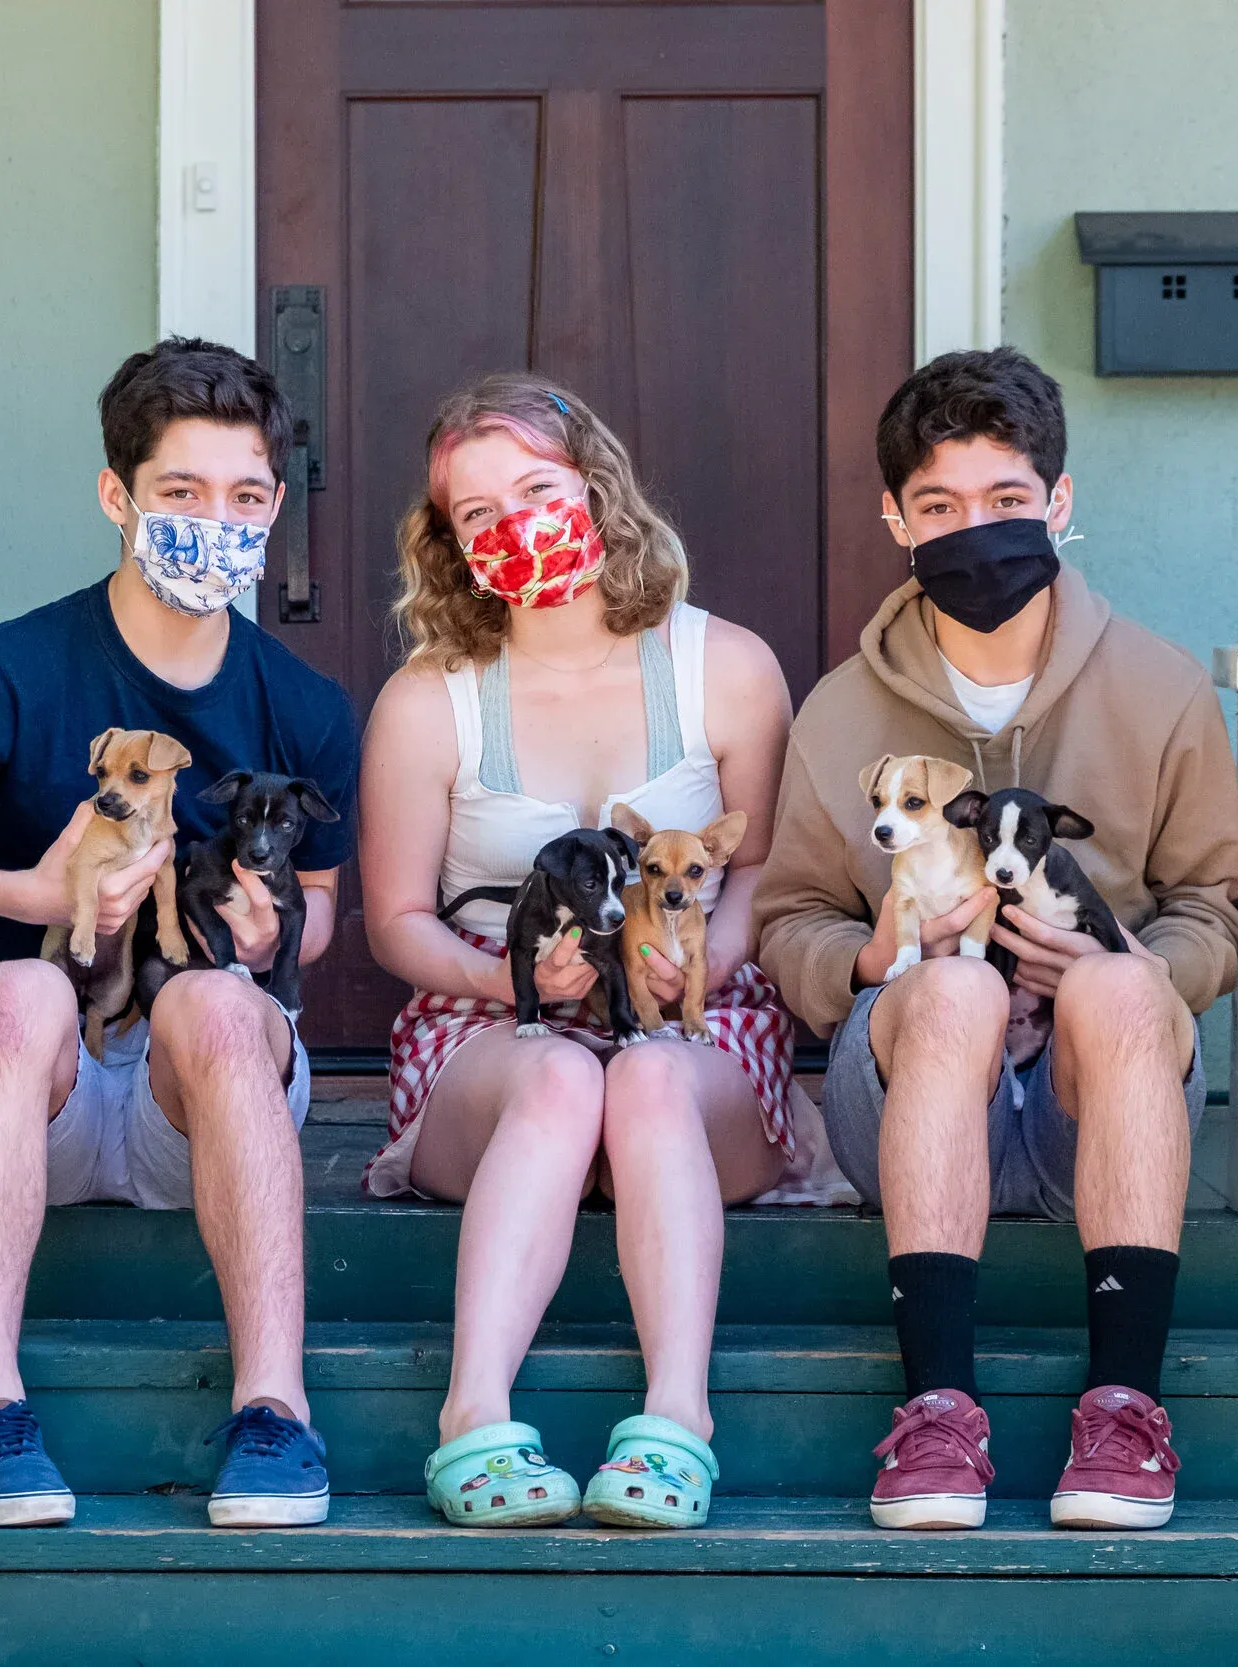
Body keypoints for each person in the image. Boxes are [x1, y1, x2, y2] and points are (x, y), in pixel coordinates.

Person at [0, 338, 360, 1530]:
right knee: (17, 992)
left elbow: (315, 913)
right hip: (32, 1089)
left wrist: (268, 947)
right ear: (118, 496)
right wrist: (27, 892)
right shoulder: (16, 666)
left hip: (194, 1100)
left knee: (217, 1001)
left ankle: (275, 1413)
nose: (216, 523)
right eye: (182, 492)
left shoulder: (305, 706)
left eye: (244, 496)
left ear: (274, 507)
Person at [751, 347, 1238, 1532]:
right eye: (939, 506)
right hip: (917, 1088)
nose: (976, 531)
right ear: (895, 518)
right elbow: (787, 918)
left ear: (1059, 502)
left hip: (1099, 1090)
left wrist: (1137, 966)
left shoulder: (1162, 688)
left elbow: (1212, 907)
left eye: (1007, 498)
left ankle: (1124, 1410)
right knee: (951, 996)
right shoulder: (841, 710)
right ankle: (935, 1413)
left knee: (1120, 990)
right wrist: (872, 956)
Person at [357, 374, 795, 1529]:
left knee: (645, 1074)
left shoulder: (726, 666)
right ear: (449, 543)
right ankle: (473, 1417)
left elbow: (763, 871)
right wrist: (506, 979)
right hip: (491, 1025)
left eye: (536, 489)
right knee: (560, 1074)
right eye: (479, 512)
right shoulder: (428, 698)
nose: (515, 523)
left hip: (695, 1017)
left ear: (595, 484)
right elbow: (394, 918)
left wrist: (701, 966)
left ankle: (677, 1421)